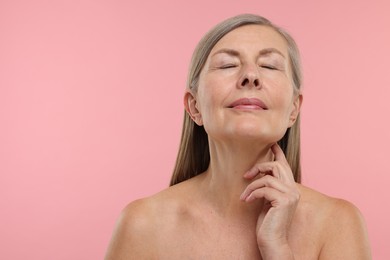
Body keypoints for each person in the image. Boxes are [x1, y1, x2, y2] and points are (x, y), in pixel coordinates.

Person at [105, 14, 371, 259]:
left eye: (269, 65)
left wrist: (278, 248)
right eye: (227, 64)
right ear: (194, 107)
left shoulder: (337, 224)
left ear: (294, 109)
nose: (250, 76)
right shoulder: (143, 225)